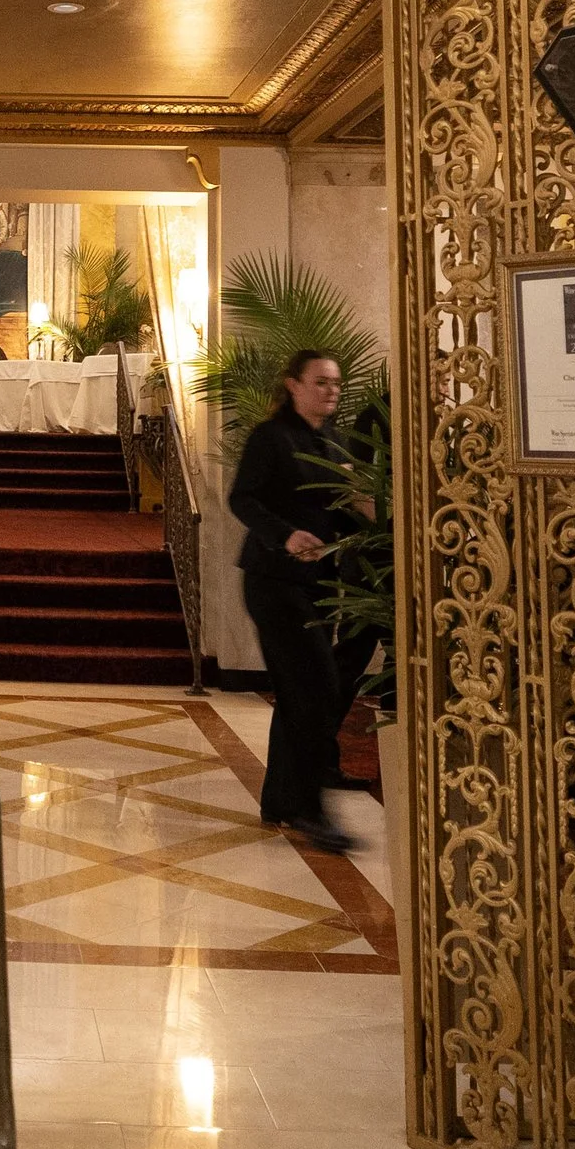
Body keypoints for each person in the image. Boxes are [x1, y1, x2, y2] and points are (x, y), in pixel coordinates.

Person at [228, 349, 358, 852]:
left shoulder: (338, 443)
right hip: (275, 582)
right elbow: (243, 498)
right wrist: (285, 536)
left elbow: (343, 512)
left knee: (299, 692)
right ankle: (310, 807)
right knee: (318, 687)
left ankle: (282, 800)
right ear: (294, 385)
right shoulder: (271, 438)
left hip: (322, 585)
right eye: (321, 381)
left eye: (337, 384)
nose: (331, 391)